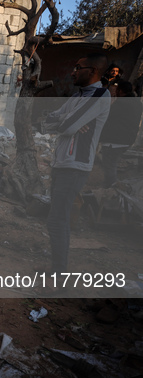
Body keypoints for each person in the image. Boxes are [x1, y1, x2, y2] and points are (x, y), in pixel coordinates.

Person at [43, 53, 112, 275]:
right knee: (56, 220)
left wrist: (67, 123)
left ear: (92, 71)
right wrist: (68, 122)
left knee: (58, 221)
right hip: (62, 164)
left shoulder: (100, 96)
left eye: (78, 67)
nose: (73, 71)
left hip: (75, 168)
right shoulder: (78, 96)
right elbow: (46, 122)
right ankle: (55, 268)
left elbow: (65, 127)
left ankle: (59, 275)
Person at [99, 81, 143, 187]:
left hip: (114, 141)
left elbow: (106, 115)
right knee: (111, 163)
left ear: (121, 91)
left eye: (117, 90)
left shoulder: (121, 103)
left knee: (110, 165)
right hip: (127, 139)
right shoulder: (137, 103)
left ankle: (111, 189)